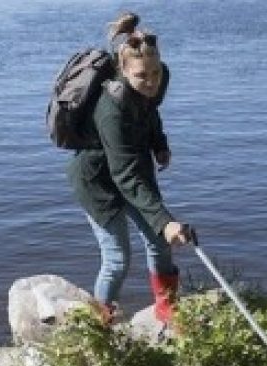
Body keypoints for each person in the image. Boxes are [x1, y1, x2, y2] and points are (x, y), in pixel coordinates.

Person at [67, 12, 191, 327]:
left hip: (131, 164)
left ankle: (167, 312)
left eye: (155, 72)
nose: (150, 82)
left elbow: (151, 112)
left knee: (159, 241)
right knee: (117, 259)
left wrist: (159, 143)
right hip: (99, 182)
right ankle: (101, 324)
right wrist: (165, 220)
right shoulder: (110, 110)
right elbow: (125, 177)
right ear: (123, 70)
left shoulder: (157, 79)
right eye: (141, 76)